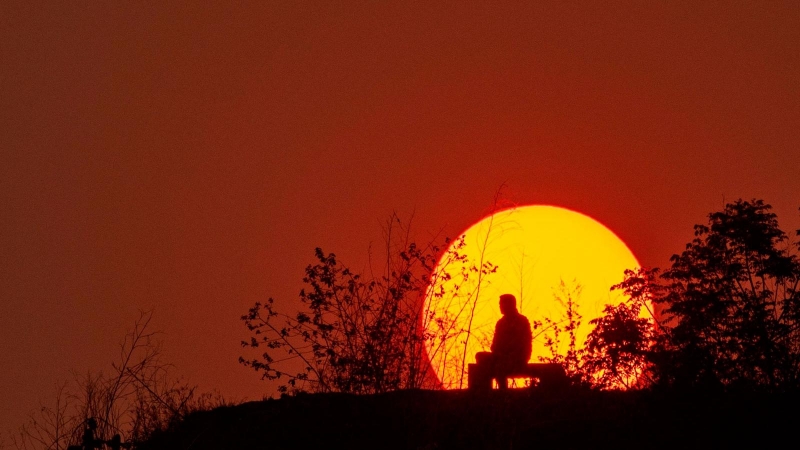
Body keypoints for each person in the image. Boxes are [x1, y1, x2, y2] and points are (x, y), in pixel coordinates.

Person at [476, 294, 532, 389]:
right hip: (501, 356)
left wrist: (506, 351)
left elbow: (523, 344)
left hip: (518, 358)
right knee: (480, 356)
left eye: (502, 304)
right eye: (500, 304)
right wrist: (498, 351)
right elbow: (495, 345)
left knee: (499, 366)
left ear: (510, 304)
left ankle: (503, 392)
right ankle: (483, 391)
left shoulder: (521, 321)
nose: (500, 307)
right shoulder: (500, 323)